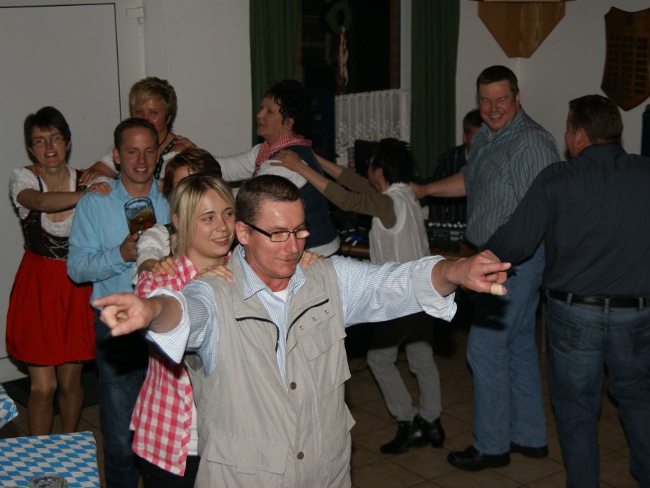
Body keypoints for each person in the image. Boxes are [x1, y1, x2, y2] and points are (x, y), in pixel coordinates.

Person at [94, 174, 511, 487]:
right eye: (277, 234)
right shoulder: (213, 291)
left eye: (299, 231)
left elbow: (391, 282)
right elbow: (187, 313)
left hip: (324, 474)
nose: (293, 246)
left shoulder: (327, 279)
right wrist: (152, 310)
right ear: (243, 233)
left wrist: (454, 270)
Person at [485, 95, 650, 487]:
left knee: (577, 412)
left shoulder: (558, 178)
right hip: (637, 315)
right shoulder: (646, 173)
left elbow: (516, 242)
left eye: (568, 129)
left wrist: (476, 260)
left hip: (574, 316)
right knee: (640, 402)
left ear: (580, 135)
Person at [411, 65, 560, 470]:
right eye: (485, 100)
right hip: (495, 257)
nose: (493, 108)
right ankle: (529, 436)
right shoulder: (485, 137)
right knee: (518, 346)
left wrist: (500, 262)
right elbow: (471, 180)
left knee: (485, 347)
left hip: (514, 260)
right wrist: (426, 189)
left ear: (517, 97)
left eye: (502, 99)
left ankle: (492, 445)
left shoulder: (532, 142)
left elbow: (542, 212)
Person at [273, 139, 445, 454]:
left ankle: (409, 422)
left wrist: (300, 168)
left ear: (379, 172)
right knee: (422, 356)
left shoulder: (388, 203)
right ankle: (433, 421)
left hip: (402, 298)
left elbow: (346, 198)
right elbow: (354, 183)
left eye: (371, 166)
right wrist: (314, 158)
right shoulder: (406, 195)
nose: (367, 172)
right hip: (424, 293)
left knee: (379, 360)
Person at [67, 118, 171, 488]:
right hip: (117, 326)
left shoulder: (171, 200)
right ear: (116, 155)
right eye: (131, 151)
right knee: (120, 439)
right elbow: (76, 268)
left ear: (158, 154)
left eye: (148, 151)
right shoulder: (95, 203)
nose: (141, 160)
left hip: (166, 326)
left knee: (166, 435)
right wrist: (120, 254)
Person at [7, 106, 110, 436]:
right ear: (30, 148)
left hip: (76, 287)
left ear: (68, 142)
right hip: (38, 286)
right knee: (43, 387)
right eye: (40, 141)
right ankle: (39, 453)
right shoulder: (24, 178)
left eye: (55, 138)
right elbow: (39, 202)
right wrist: (86, 195)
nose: (49, 147)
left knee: (70, 382)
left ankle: (69, 444)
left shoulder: (88, 179)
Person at [133, 174, 235, 487]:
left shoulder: (250, 270)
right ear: (179, 221)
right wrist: (203, 284)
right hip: (177, 440)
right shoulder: (159, 280)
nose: (223, 227)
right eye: (208, 217)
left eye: (228, 213)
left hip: (237, 439)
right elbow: (155, 316)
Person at [216, 79, 340, 256]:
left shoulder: (284, 164)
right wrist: (190, 156)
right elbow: (223, 168)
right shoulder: (267, 150)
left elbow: (245, 203)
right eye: (262, 108)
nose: (259, 115)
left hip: (315, 254)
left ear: (287, 122)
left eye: (269, 111)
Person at [81, 76, 193, 185]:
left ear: (168, 118)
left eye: (153, 113)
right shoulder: (128, 143)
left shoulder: (179, 150)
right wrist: (95, 177)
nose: (144, 118)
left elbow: (163, 190)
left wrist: (105, 181)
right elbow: (86, 177)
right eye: (139, 111)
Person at [135, 147, 224, 278]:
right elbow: (147, 259)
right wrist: (158, 266)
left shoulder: (231, 228)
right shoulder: (162, 235)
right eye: (181, 186)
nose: (189, 193)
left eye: (197, 185)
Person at [427, 109, 482, 223]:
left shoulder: (496, 161)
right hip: (454, 226)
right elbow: (435, 203)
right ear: (465, 137)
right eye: (475, 138)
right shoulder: (449, 159)